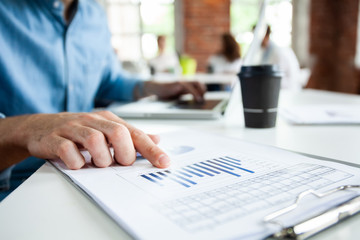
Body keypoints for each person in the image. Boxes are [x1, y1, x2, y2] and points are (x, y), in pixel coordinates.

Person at [0, 0, 206, 200]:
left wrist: (154, 87)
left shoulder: (94, 14)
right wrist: (30, 129)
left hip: (87, 174)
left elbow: (109, 80)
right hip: (17, 186)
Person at [253, 25, 301, 90]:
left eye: (256, 37)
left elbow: (278, 77)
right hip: (278, 88)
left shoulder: (278, 53)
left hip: (287, 89)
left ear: (265, 36)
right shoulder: (265, 51)